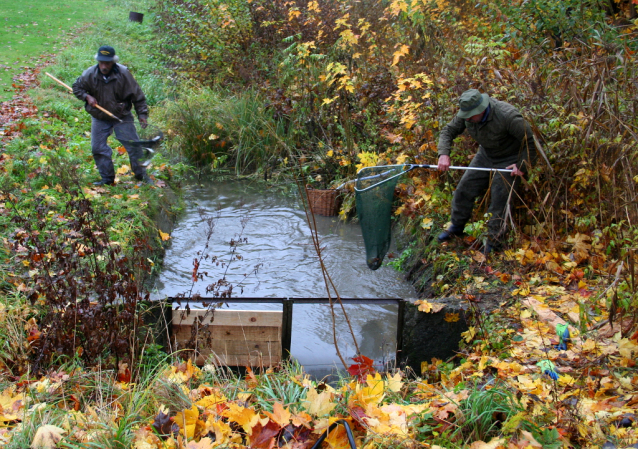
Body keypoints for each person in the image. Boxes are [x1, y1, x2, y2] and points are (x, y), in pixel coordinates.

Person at [435, 89, 536, 253]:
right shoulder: (467, 116)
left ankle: (493, 243)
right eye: (465, 115)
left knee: (499, 200)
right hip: (485, 155)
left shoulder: (507, 116)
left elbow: (529, 142)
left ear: (481, 109)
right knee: (464, 189)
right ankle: (457, 227)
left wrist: (522, 166)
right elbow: (448, 131)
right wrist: (443, 154)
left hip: (509, 159)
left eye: (471, 116)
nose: (467, 119)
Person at [72, 45, 149, 185]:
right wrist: (86, 96)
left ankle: (141, 176)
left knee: (133, 146)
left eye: (107, 63)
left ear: (113, 62)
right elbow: (77, 87)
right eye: (101, 62)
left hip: (121, 116)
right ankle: (107, 179)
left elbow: (137, 96)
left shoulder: (124, 74)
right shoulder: (89, 74)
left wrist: (142, 114)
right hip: (99, 117)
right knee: (98, 148)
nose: (103, 66)